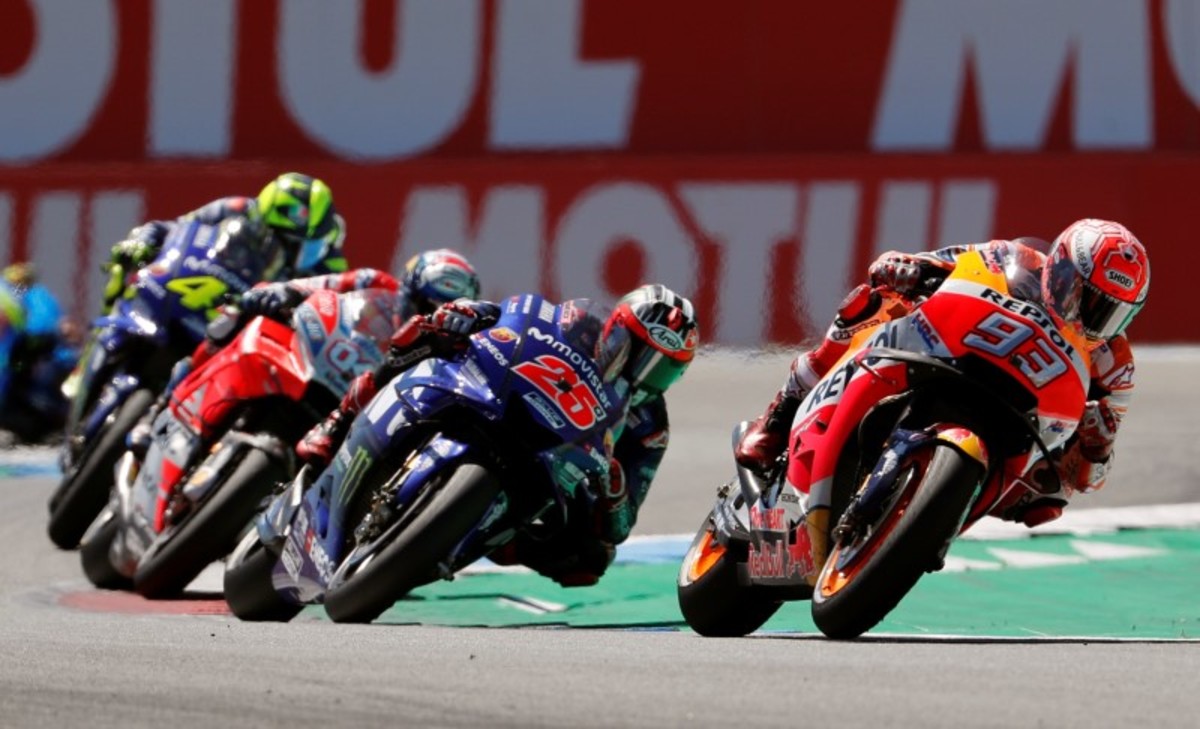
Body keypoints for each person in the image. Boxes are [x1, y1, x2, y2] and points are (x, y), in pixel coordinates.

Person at [734, 218, 1150, 527]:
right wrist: (906, 269)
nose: (1095, 321)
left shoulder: (1115, 365)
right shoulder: (1014, 259)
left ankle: (926, 523)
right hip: (950, 354)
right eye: (1088, 300)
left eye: (1112, 313)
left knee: (1050, 499)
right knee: (869, 305)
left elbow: (1089, 477)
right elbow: (935, 263)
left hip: (1020, 421)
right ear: (1060, 271)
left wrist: (1097, 446)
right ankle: (780, 415)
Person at [296, 284, 700, 586]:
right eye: (637, 351)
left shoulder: (650, 427)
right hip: (503, 398)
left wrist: (615, 493)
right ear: (614, 329)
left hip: (557, 464)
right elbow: (516, 315)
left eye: (662, 368)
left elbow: (622, 525)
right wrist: (472, 313)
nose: (642, 373)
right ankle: (337, 421)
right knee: (427, 335)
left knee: (592, 559)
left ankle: (468, 537)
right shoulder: (579, 324)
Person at [127, 249, 482, 454]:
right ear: (408, 292)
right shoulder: (375, 282)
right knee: (240, 313)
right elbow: (322, 285)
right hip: (318, 359)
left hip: (353, 407)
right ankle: (161, 406)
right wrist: (284, 293)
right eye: (425, 306)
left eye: (439, 313)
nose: (428, 318)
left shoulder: (443, 350)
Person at [103, 172, 348, 311]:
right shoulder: (234, 208)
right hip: (185, 292)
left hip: (234, 330)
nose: (296, 253)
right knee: (124, 275)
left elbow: (333, 311)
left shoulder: (327, 266)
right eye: (283, 242)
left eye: (309, 246)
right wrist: (142, 241)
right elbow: (172, 229)